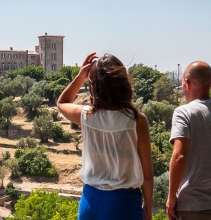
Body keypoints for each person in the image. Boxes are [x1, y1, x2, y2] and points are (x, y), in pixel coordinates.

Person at [57, 52, 153, 220]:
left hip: (90, 200)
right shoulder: (137, 120)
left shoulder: (86, 115)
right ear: (123, 84)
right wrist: (148, 206)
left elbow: (62, 102)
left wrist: (81, 76)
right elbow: (147, 173)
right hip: (123, 204)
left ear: (94, 85)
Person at [166, 61, 211, 220]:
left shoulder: (183, 113)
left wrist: (171, 198)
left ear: (186, 83)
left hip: (194, 204)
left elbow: (179, 157)